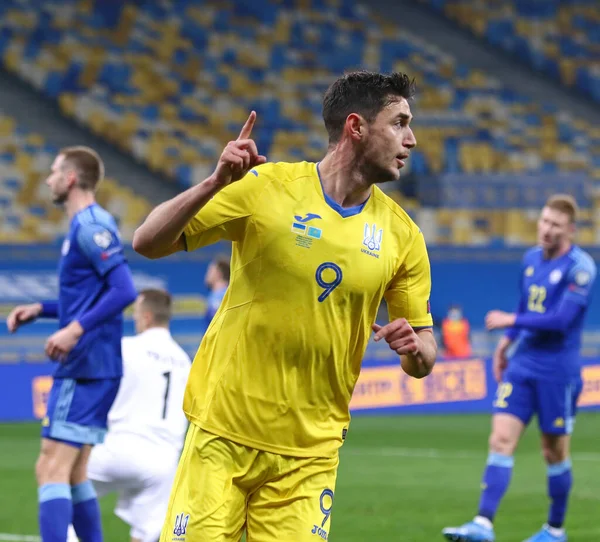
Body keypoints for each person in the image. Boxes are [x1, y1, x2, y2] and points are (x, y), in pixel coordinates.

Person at [133, 70, 438, 541]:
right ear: (356, 127)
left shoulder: (403, 237)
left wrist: (414, 349)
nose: (411, 139)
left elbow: (425, 354)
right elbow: (147, 241)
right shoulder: (266, 188)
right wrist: (213, 183)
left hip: (310, 455)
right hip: (224, 434)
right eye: (399, 123)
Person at [442, 195, 596, 542]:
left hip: (558, 371)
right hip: (522, 364)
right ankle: (483, 524)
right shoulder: (530, 260)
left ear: (570, 230)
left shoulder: (580, 268)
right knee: (500, 439)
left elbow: (560, 321)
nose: (546, 229)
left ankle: (555, 531)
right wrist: (505, 344)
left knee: (553, 451)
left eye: (555, 225)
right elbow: (525, 304)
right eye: (544, 221)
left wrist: (511, 320)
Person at [6, 146, 137, 542]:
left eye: (53, 172)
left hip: (84, 366)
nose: (47, 179)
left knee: (50, 467)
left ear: (70, 179)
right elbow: (92, 298)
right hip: (96, 365)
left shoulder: (88, 227)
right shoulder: (92, 224)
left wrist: (73, 330)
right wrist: (42, 310)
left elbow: (124, 290)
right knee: (75, 471)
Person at [66, 289, 191, 542]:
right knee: (146, 535)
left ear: (146, 317)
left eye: (135, 315)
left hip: (117, 447)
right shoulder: (185, 361)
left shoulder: (127, 348)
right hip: (163, 462)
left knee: (62, 493)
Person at [204, 254, 230, 327]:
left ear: (218, 273)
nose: (207, 275)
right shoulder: (216, 295)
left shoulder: (219, 297)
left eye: (210, 270)